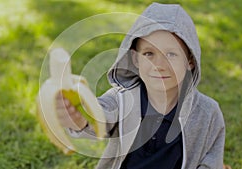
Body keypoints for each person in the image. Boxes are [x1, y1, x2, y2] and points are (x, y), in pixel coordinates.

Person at [55, 3, 225, 169]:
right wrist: (79, 119)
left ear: (190, 61)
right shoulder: (120, 99)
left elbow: (211, 158)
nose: (159, 65)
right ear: (135, 59)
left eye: (171, 54)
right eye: (149, 53)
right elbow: (99, 117)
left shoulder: (207, 113)